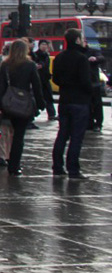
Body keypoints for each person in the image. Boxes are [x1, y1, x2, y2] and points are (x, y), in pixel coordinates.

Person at [0, 38, 45, 176]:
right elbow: (36, 86)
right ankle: (14, 166)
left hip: (9, 102)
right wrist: (40, 104)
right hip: (23, 104)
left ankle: (5, 158)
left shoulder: (5, 65)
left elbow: (2, 86)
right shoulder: (30, 65)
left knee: (7, 133)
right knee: (18, 136)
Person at [51, 28, 93, 179]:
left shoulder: (59, 57)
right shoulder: (81, 58)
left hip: (64, 100)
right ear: (77, 40)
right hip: (79, 101)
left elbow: (55, 79)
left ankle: (57, 166)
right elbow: (86, 82)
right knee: (76, 137)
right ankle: (73, 169)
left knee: (62, 134)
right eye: (81, 38)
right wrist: (94, 88)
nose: (83, 41)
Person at [32, 41, 57, 121]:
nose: (44, 46)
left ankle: (52, 114)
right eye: (42, 44)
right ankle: (32, 114)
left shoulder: (46, 55)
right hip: (38, 79)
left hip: (45, 79)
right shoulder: (35, 54)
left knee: (48, 97)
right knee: (36, 97)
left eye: (45, 44)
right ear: (39, 46)